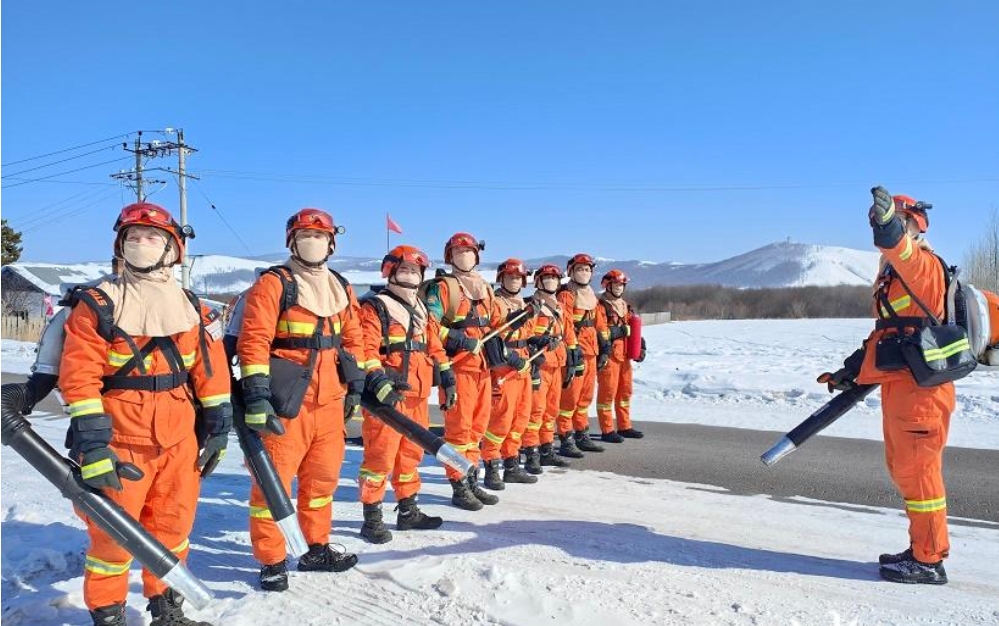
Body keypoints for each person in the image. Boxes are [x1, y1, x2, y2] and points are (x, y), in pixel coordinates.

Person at [60, 202, 231, 626]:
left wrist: (219, 426)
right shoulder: (98, 304)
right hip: (120, 442)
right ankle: (110, 616)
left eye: (151, 237)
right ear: (120, 246)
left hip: (178, 440)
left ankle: (167, 610)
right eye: (132, 237)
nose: (140, 244)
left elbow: (208, 372)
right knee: (112, 541)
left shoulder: (191, 307)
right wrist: (94, 444)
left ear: (173, 249)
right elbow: (78, 379)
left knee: (173, 530)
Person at [819, 187, 959, 584]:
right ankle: (920, 549)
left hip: (921, 393)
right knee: (905, 470)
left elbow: (902, 249)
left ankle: (928, 560)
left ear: (915, 225)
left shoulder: (923, 265)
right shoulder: (894, 276)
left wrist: (886, 226)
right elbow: (888, 333)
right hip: (901, 389)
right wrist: (853, 370)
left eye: (902, 221)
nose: (895, 230)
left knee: (920, 474)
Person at [237, 208, 365, 592]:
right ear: (292, 241)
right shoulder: (275, 284)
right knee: (272, 488)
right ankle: (272, 561)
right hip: (286, 401)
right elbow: (254, 341)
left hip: (329, 403)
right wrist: (257, 395)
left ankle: (315, 548)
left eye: (320, 235)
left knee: (321, 482)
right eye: (305, 235)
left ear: (331, 243)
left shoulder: (340, 286)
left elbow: (354, 339)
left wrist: (356, 384)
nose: (313, 241)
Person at [356, 245, 454, 543]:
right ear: (390, 272)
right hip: (388, 398)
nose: (410, 275)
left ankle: (408, 511)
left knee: (410, 456)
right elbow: (366, 349)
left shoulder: (421, 308)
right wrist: (377, 380)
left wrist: (447, 374)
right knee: (379, 458)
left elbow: (433, 344)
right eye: (405, 270)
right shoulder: (376, 307)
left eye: (415, 270)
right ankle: (371, 518)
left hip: (418, 396)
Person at [421, 232, 499, 510]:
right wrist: (459, 340)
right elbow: (429, 327)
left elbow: (494, 322)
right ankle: (458, 485)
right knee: (458, 431)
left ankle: (472, 478)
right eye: (458, 252)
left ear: (476, 256)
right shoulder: (443, 288)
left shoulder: (485, 288)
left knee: (477, 429)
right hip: (458, 366)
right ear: (449, 257)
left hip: (482, 368)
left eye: (468, 252)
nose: (464, 257)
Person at [480, 258, 538, 489]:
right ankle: (491, 465)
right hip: (505, 368)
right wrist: (512, 359)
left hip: (523, 366)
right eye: (510, 277)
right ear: (501, 278)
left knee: (520, 417)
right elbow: (494, 336)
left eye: (518, 278)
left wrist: (538, 343)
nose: (514, 281)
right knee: (501, 420)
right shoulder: (495, 303)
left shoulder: (523, 303)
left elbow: (528, 333)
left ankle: (511, 465)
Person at [521, 263, 576, 470]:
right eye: (547, 278)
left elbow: (568, 334)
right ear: (539, 282)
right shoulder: (532, 306)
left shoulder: (560, 308)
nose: (552, 282)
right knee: (536, 411)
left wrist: (573, 358)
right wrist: (539, 341)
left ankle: (546, 449)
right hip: (540, 365)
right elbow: (524, 334)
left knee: (551, 411)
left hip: (557, 364)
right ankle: (531, 452)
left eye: (555, 279)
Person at [556, 253, 607, 457]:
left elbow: (599, 322)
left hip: (591, 351)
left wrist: (605, 345)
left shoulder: (591, 295)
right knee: (570, 398)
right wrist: (572, 348)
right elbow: (566, 323)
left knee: (585, 397)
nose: (584, 273)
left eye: (587, 269)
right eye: (580, 269)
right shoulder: (567, 294)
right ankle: (565, 437)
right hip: (575, 351)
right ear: (571, 272)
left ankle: (581, 433)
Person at [595, 269, 646, 443]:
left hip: (625, 356)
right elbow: (600, 332)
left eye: (621, 284)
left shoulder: (625, 306)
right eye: (615, 284)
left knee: (625, 392)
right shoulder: (600, 306)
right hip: (609, 356)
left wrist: (641, 346)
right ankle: (607, 429)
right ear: (607, 285)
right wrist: (621, 331)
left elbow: (634, 328)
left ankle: (624, 426)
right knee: (607, 394)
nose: (619, 287)